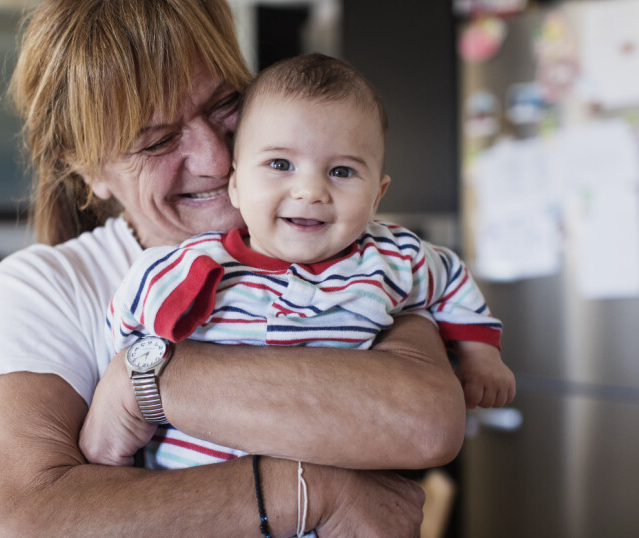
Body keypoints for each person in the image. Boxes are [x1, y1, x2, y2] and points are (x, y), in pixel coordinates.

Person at [0, 1, 468, 536]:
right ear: (89, 169)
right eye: (158, 140)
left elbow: (426, 423)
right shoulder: (47, 289)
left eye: (225, 106)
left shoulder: (345, 246)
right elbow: (28, 522)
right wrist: (312, 492)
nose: (216, 159)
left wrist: (141, 382)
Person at [96, 53, 516, 472]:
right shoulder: (198, 264)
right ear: (236, 184)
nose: (311, 190)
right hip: (199, 489)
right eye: (280, 164)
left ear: (378, 195)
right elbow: (130, 317)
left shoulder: (392, 258)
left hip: (337, 490)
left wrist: (481, 357)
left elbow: (451, 281)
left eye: (342, 172)